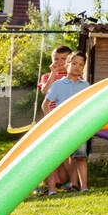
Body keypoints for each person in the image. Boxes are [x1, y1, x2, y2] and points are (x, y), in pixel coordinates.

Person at [41, 52, 92, 192]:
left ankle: (84, 188)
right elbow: (45, 105)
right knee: (54, 158)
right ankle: (51, 190)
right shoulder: (58, 85)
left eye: (81, 65)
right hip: (60, 127)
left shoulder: (85, 85)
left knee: (80, 157)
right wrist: (52, 122)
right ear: (67, 64)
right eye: (74, 63)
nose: (77, 67)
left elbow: (88, 106)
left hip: (79, 127)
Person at [34, 45, 73, 194]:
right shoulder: (47, 76)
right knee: (50, 152)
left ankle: (71, 182)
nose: (60, 62)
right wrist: (53, 73)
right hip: (51, 121)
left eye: (64, 59)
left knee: (66, 154)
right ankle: (47, 184)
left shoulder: (75, 76)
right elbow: (44, 91)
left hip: (67, 120)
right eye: (56, 59)